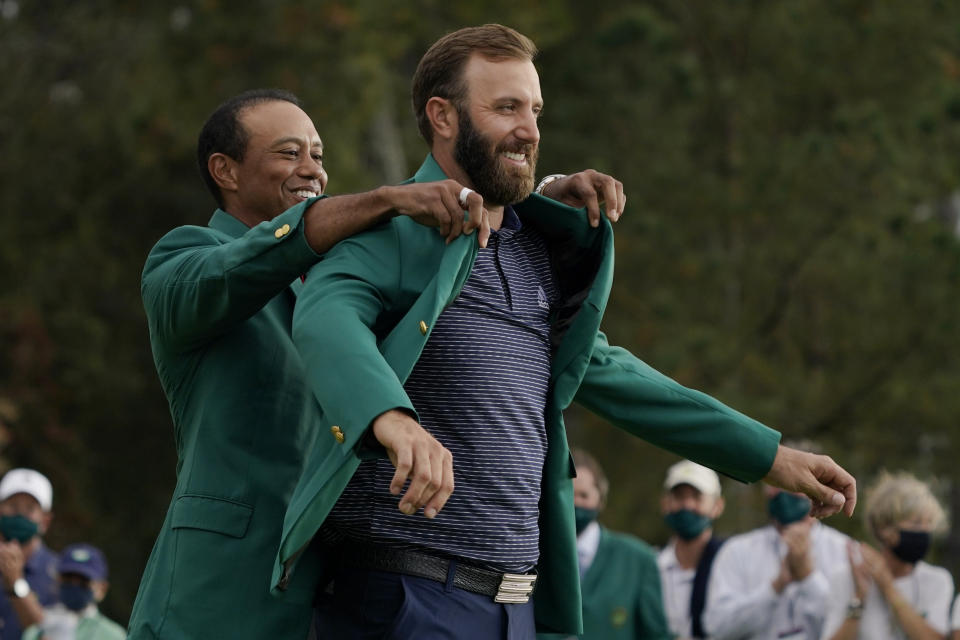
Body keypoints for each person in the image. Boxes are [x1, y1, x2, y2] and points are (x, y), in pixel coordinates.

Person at [275, 24, 857, 639]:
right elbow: (324, 318)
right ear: (442, 117)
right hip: (401, 598)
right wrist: (390, 418)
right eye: (505, 108)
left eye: (535, 110)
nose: (529, 129)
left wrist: (769, 456)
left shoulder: (535, 251)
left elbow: (612, 375)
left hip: (517, 608)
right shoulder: (386, 230)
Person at [127, 87, 626, 640]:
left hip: (332, 600)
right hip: (218, 597)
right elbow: (238, 270)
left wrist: (540, 197)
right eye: (288, 153)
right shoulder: (182, 261)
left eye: (318, 154)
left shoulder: (347, 275)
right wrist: (386, 199)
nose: (312, 170)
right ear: (226, 170)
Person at [537, 448, 670, 640]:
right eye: (568, 493)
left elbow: (656, 634)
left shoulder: (638, 559)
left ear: (600, 499)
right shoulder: (529, 554)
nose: (575, 503)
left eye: (584, 495)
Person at [703, 483, 850, 640]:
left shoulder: (845, 551)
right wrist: (774, 587)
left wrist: (809, 579)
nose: (783, 491)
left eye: (793, 483)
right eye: (775, 483)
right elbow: (715, 627)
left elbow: (853, 625)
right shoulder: (736, 551)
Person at [820, 471, 953, 640]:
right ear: (884, 528)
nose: (924, 531)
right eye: (916, 523)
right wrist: (859, 597)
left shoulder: (937, 580)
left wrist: (888, 588)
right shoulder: (846, 578)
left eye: (929, 523)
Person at [657, 459, 726, 639]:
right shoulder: (652, 566)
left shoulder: (731, 563)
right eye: (679, 496)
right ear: (665, 504)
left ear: (717, 506)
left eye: (697, 496)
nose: (687, 505)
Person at [22, 543, 125, 640]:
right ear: (57, 581)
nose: (74, 585)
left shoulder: (113, 636)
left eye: (84, 581)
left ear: (102, 588)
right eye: (68, 578)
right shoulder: (38, 627)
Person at [0, 469, 57, 640]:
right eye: (13, 506)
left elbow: (51, 635)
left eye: (29, 509)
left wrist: (16, 584)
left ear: (45, 520)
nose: (19, 515)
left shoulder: (60, 573)